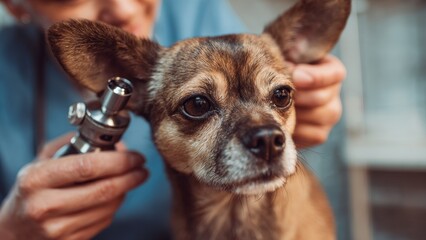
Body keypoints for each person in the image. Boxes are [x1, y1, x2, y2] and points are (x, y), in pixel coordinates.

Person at [0, 0, 345, 239]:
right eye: (198, 105)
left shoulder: (197, 9)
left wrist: (314, 95)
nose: (123, 7)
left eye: (281, 96)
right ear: (14, 5)